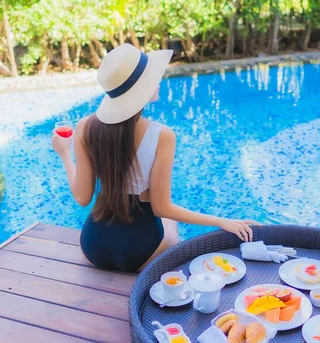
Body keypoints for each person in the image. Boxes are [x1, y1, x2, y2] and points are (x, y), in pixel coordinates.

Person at [52, 44, 259, 272]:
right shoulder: (162, 136)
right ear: (141, 90)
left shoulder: (85, 127)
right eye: (152, 77)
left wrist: (64, 153)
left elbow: (82, 198)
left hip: (93, 248)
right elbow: (162, 209)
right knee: (171, 223)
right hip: (142, 253)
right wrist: (221, 221)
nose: (158, 79)